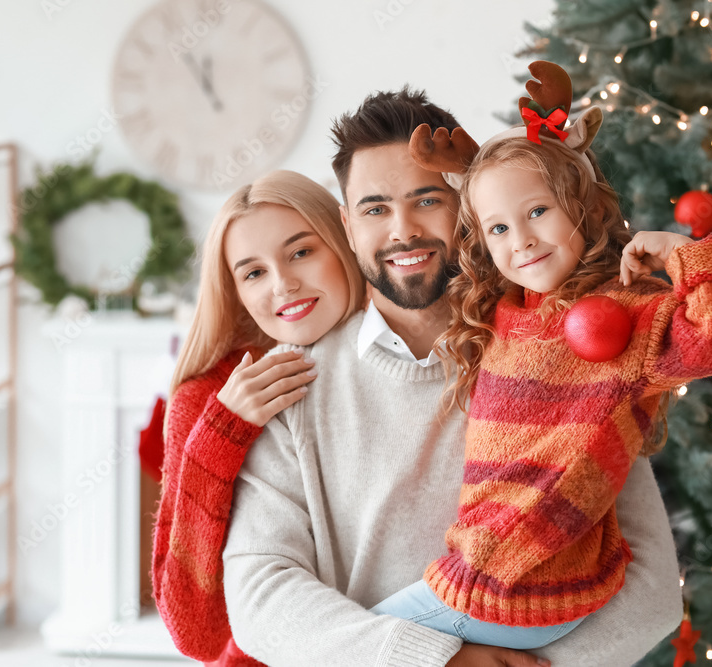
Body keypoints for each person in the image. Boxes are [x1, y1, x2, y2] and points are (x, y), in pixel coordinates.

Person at [222, 86, 688, 667]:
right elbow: (259, 593)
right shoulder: (292, 385)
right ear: (346, 223)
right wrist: (436, 660)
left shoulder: (563, 351)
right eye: (375, 209)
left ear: (466, 206)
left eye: (425, 200)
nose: (402, 230)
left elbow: (653, 589)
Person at [367, 63, 712, 649]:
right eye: (498, 228)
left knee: (361, 648)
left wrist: (685, 254)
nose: (521, 240)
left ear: (580, 203)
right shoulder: (505, 313)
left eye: (537, 212)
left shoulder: (624, 313)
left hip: (525, 582)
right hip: (492, 575)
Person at [150, 170, 366, 665]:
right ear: (236, 292)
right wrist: (219, 436)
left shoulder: (408, 346)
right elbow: (196, 634)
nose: (283, 284)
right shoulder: (207, 397)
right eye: (253, 273)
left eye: (301, 252)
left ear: (345, 241)